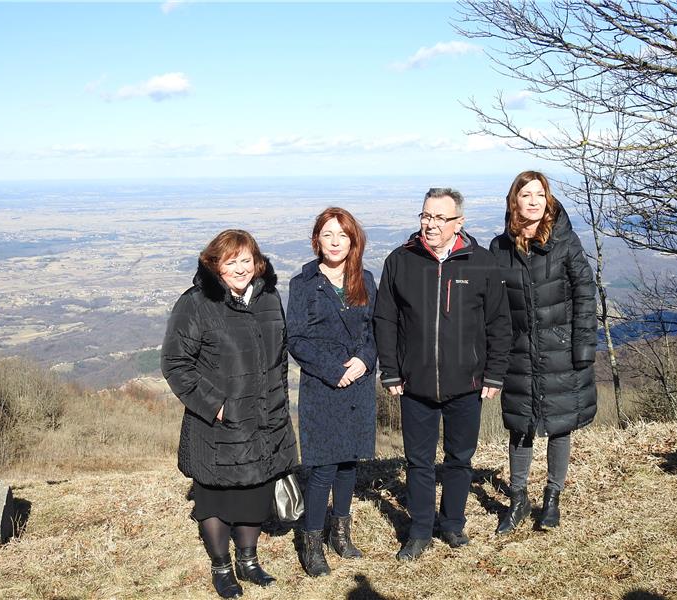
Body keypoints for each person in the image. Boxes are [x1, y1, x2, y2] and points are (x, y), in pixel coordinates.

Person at [374, 187, 512, 560]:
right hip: (413, 383)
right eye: (425, 216)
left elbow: (499, 323)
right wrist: (390, 371)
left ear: (459, 223)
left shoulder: (481, 263)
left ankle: (452, 525)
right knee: (418, 462)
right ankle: (419, 531)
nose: (431, 224)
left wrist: (494, 374)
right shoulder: (401, 261)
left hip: (467, 384)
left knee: (459, 459)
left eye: (439, 218)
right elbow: (384, 319)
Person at [161, 230, 298, 598]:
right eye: (231, 261)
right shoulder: (196, 303)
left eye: (246, 260)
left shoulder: (268, 297)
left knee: (256, 491)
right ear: (214, 264)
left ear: (257, 262)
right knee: (216, 498)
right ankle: (222, 567)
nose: (240, 268)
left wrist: (278, 406)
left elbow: (279, 357)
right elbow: (175, 363)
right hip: (217, 423)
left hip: (266, 416)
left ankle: (249, 561)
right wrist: (215, 405)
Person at [489, 171, 597, 535]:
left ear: (547, 199)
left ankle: (552, 497)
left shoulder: (565, 240)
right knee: (520, 425)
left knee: (559, 424)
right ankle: (518, 500)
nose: (533, 201)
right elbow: (491, 307)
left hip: (561, 349)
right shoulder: (499, 247)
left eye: (539, 194)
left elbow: (585, 292)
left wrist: (582, 347)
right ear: (514, 201)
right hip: (518, 350)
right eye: (526, 194)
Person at [286, 207, 377, 577]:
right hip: (322, 387)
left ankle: (340, 533)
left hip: (358, 385)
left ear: (353, 240)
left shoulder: (365, 279)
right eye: (328, 234)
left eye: (343, 234)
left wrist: (365, 360)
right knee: (322, 467)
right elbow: (296, 338)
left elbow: (377, 330)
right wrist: (330, 370)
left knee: (348, 464)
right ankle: (311, 542)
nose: (335, 241)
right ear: (317, 240)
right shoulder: (303, 283)